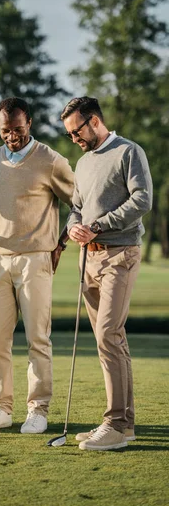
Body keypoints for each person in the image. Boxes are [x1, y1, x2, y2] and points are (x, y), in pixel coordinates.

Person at [0, 97, 74, 434]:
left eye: (18, 130)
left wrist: (62, 241)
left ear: (30, 124)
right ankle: (1, 408)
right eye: (5, 131)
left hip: (35, 259)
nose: (12, 136)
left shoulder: (50, 160)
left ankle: (38, 409)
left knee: (38, 338)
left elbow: (79, 202)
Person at [62, 96, 153, 451]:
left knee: (107, 335)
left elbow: (142, 199)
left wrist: (97, 226)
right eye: (69, 135)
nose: (74, 139)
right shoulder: (83, 163)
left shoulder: (129, 152)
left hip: (121, 255)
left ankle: (114, 424)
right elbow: (75, 208)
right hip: (89, 260)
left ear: (94, 121)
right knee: (112, 340)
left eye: (76, 132)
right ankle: (124, 426)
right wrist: (73, 228)